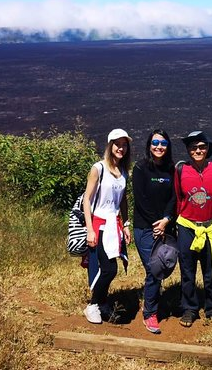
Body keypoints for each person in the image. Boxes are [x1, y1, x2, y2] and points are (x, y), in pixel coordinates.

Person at [174, 131, 212, 327]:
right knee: (187, 270)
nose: (197, 150)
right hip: (187, 227)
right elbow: (178, 199)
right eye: (193, 147)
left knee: (211, 271)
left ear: (207, 149)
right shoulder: (181, 170)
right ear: (188, 150)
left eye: (201, 147)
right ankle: (189, 309)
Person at [82, 128, 133, 324]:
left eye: (124, 144)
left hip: (115, 225)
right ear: (110, 145)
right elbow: (87, 199)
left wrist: (126, 224)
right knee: (108, 268)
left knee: (111, 267)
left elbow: (123, 200)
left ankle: (102, 302)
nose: (121, 148)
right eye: (117, 144)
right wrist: (90, 229)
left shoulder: (123, 172)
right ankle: (93, 304)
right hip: (100, 224)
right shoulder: (98, 168)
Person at [132, 129, 176, 334]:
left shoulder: (171, 170)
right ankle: (150, 313)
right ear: (149, 145)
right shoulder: (141, 168)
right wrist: (155, 224)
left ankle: (152, 301)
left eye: (163, 143)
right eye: (155, 142)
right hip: (145, 228)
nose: (159, 146)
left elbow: (174, 198)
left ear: (168, 147)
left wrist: (166, 220)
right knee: (154, 269)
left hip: (166, 226)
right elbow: (141, 200)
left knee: (163, 267)